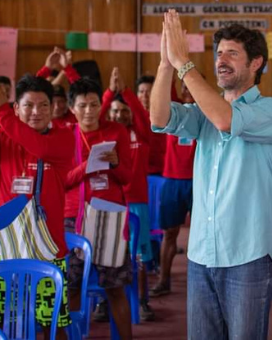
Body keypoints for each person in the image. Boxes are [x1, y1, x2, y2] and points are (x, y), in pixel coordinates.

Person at [150, 12, 272, 340]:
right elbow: (158, 116)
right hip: (201, 255)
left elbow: (226, 120)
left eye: (232, 54)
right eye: (218, 54)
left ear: (256, 63)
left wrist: (184, 63)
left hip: (247, 255)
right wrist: (166, 64)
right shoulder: (202, 114)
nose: (221, 60)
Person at [0, 75, 75, 334]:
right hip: (5, 246)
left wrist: (1, 114)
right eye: (28, 105)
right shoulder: (1, 137)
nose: (36, 112)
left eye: (43, 105)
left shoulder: (63, 138)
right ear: (16, 109)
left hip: (48, 249)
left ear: (52, 108)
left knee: (52, 325)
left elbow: (39, 147)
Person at [64, 77, 134, 339]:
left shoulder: (116, 132)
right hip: (73, 218)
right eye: (82, 106)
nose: (89, 111)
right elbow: (62, 181)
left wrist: (115, 164)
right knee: (71, 287)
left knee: (115, 288)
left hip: (110, 216)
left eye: (94, 104)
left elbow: (127, 177)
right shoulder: (64, 135)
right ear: (72, 108)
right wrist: (86, 167)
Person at [101, 67, 156, 321]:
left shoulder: (141, 132)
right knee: (104, 254)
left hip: (137, 204)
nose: (120, 114)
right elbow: (97, 114)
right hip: (108, 203)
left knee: (140, 256)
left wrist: (124, 91)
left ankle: (143, 301)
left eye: (124, 111)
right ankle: (103, 302)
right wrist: (110, 92)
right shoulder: (104, 134)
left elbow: (144, 117)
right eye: (115, 111)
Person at [150, 83, 196, 298]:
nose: (188, 91)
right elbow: (165, 88)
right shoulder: (172, 110)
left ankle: (204, 281)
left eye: (192, 87)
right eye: (184, 87)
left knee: (202, 235)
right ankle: (163, 279)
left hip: (198, 181)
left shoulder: (205, 113)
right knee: (170, 234)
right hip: (172, 180)